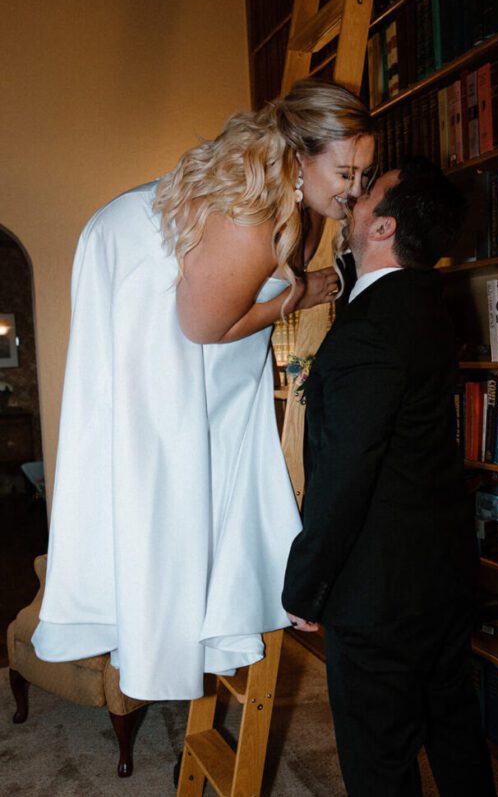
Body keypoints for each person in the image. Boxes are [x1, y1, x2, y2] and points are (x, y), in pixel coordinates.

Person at [32, 78, 376, 701]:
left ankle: (182, 612)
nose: (354, 190)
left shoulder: (267, 186)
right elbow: (203, 327)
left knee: (165, 462)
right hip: (154, 305)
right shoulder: (258, 218)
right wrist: (291, 298)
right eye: (346, 173)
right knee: (166, 468)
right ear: (301, 156)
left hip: (135, 269)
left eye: (364, 174)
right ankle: (169, 626)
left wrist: (297, 286)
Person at [282, 158, 497, 797]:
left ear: (384, 227)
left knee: (380, 765)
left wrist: (306, 587)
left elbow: (344, 479)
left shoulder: (369, 332)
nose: (351, 197)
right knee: (455, 736)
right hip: (443, 573)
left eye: (366, 192)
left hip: (382, 595)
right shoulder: (430, 304)